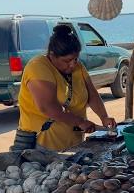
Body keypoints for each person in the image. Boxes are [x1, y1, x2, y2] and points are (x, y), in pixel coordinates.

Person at [12, 24, 116, 152]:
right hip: (42, 145)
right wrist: (80, 121)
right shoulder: (37, 67)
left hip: (73, 142)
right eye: (67, 61)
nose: (72, 64)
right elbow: (48, 108)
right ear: (52, 55)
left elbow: (92, 95)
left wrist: (104, 117)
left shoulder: (78, 67)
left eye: (75, 59)